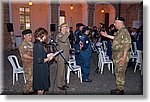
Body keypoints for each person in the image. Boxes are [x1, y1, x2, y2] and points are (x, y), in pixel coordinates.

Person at [100, 17, 131, 95]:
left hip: (121, 56)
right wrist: (106, 35)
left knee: (120, 73)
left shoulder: (124, 32)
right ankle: (118, 88)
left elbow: (127, 45)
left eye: (115, 23)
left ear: (120, 23)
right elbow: (115, 38)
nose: (114, 24)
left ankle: (120, 90)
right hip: (117, 56)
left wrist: (124, 57)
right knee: (117, 73)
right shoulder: (120, 31)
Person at [33, 27, 55, 95]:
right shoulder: (38, 45)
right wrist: (49, 58)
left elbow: (40, 55)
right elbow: (39, 60)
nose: (46, 37)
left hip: (41, 69)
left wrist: (48, 55)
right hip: (40, 70)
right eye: (45, 35)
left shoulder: (38, 43)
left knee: (41, 89)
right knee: (40, 89)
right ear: (41, 35)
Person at [19, 29, 34, 95]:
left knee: (33, 78)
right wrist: (34, 58)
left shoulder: (31, 43)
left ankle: (31, 91)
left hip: (33, 64)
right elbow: (24, 55)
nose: (31, 36)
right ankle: (25, 92)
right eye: (29, 35)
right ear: (24, 36)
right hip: (27, 65)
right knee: (29, 80)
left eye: (31, 35)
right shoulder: (23, 45)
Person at [56, 23, 70, 90]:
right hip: (61, 56)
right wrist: (68, 33)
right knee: (61, 71)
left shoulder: (65, 35)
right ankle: (59, 84)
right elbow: (63, 40)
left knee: (65, 70)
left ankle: (64, 83)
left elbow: (67, 45)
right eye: (65, 27)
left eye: (66, 27)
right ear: (61, 28)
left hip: (66, 55)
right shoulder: (59, 35)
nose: (66, 28)